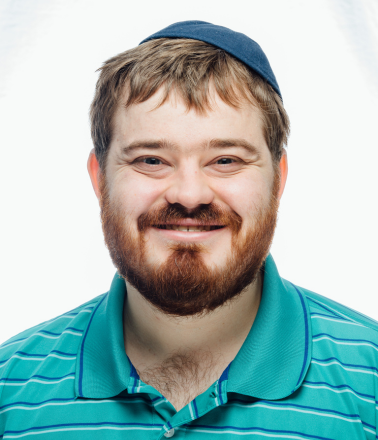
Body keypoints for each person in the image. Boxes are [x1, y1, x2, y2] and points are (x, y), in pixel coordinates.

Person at [1, 20, 377, 440]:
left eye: (226, 160)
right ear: (99, 179)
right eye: (151, 160)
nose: (189, 194)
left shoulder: (371, 384)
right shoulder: (7, 391)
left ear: (278, 179)